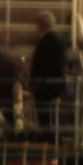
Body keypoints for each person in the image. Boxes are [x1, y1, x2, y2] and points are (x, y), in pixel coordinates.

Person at [30, 10, 69, 138]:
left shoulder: (45, 43)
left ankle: (47, 137)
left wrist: (33, 84)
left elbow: (39, 65)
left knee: (43, 111)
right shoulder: (58, 41)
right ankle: (50, 136)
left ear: (41, 25)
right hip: (57, 84)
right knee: (49, 113)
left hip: (47, 85)